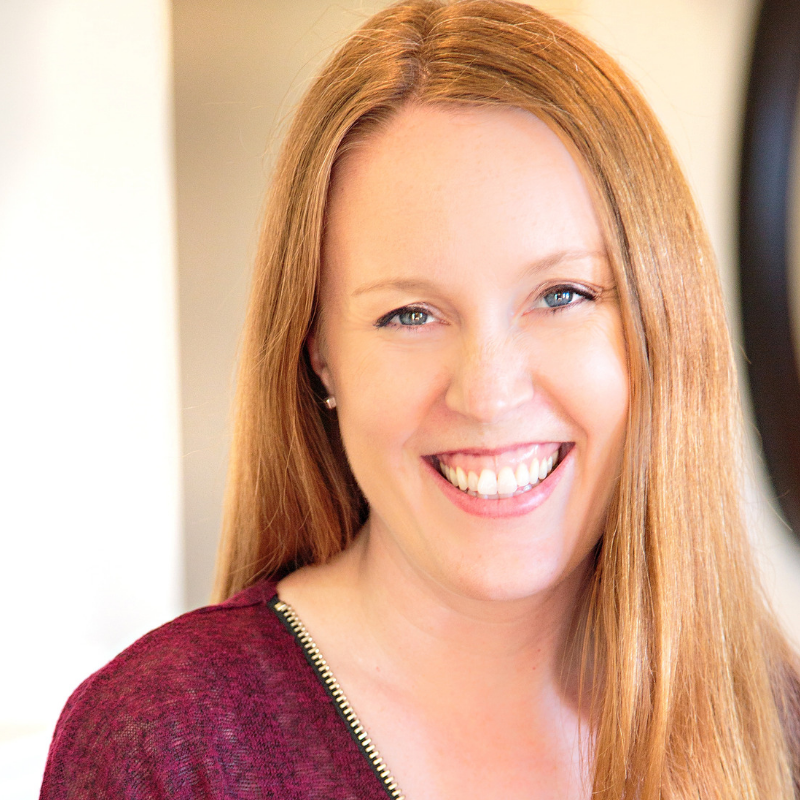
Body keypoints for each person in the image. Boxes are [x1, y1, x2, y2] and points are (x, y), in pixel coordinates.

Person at [41, 1, 800, 798]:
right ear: (319, 354)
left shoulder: (775, 728)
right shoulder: (166, 745)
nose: (489, 391)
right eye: (410, 313)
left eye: (562, 294)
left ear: (662, 325)